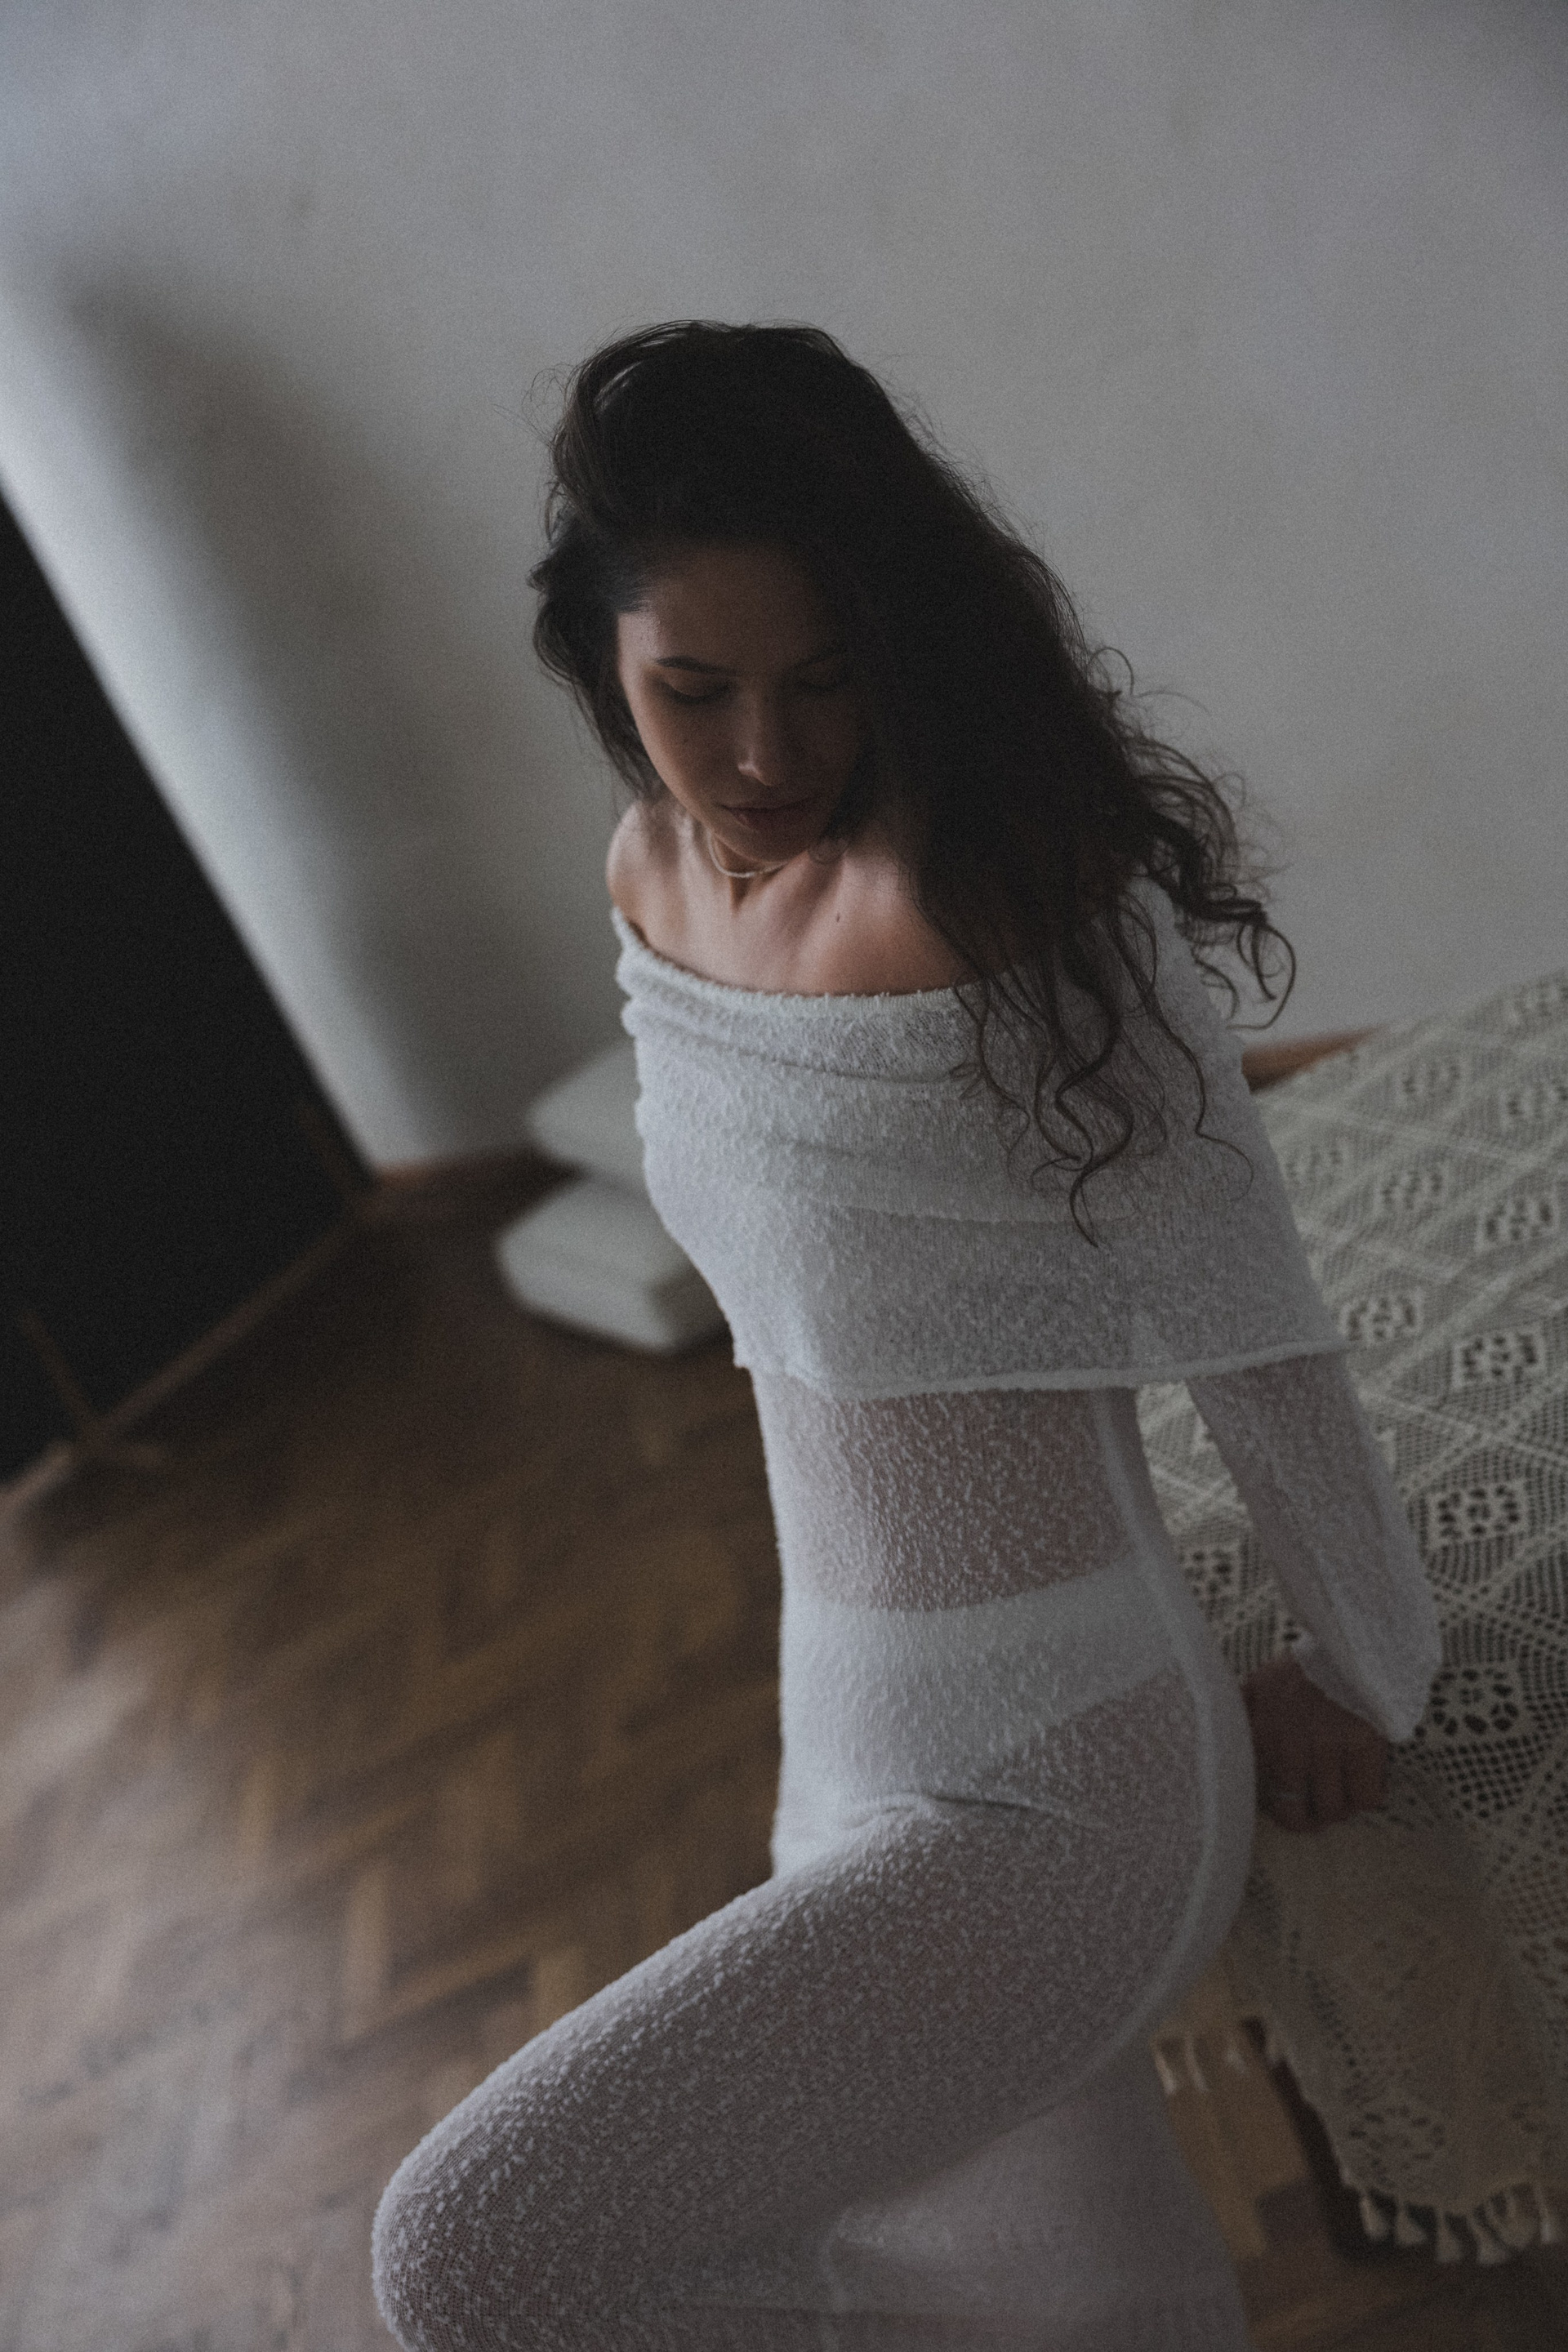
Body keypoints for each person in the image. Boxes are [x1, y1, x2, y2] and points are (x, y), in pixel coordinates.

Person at [373, 322, 1441, 2350]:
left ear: (903, 645)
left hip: (1070, 1777)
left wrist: (1364, 1665)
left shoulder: (1014, 904)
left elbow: (1256, 1322)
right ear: (598, 661)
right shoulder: (653, 873)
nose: (762, 749)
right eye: (695, 691)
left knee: (469, 2249)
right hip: (843, 1740)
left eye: (825, 676)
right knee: (1043, 2300)